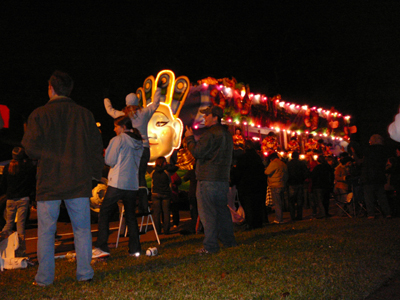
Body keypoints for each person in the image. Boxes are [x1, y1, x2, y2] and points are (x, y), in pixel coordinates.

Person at [22, 70, 104, 286]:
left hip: (49, 181)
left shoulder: (39, 114)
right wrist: (95, 175)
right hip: (78, 181)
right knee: (82, 230)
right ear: (69, 90)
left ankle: (44, 278)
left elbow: (30, 149)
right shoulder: (84, 114)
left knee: (46, 232)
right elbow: (96, 149)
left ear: (51, 88)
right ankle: (85, 273)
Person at [185, 105, 237, 254]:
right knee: (222, 212)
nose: (204, 118)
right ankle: (229, 242)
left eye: (207, 115)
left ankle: (210, 246)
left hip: (207, 179)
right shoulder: (227, 135)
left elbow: (197, 152)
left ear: (215, 117)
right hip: (222, 179)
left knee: (207, 214)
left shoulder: (210, 133)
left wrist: (189, 138)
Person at [104, 85, 161, 214]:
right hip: (144, 147)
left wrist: (106, 98)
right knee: (141, 175)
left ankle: (130, 204)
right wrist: (157, 90)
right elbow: (156, 103)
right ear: (137, 102)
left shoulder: (123, 115)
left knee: (129, 175)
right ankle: (143, 205)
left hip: (129, 150)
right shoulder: (145, 112)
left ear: (126, 103)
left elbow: (110, 111)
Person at [93, 116, 143, 258]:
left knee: (104, 212)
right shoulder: (139, 141)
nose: (114, 129)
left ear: (122, 126)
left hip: (117, 183)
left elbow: (110, 160)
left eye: (116, 126)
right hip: (132, 184)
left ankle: (102, 247)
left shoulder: (118, 140)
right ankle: (135, 249)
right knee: (131, 216)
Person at [0, 147, 36, 257]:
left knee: (8, 224)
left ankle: (1, 244)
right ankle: (20, 251)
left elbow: (3, 184)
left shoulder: (7, 168)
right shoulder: (26, 168)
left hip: (10, 199)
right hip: (23, 199)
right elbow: (31, 183)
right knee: (20, 225)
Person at [231, 140, 267, 229]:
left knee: (248, 205)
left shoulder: (242, 158)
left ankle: (251, 222)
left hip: (246, 185)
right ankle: (258, 222)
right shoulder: (257, 158)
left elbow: (238, 172)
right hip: (257, 185)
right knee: (257, 204)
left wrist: (234, 181)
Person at [361, 134, 392, 219]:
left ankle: (371, 214)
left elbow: (364, 162)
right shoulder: (383, 151)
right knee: (382, 196)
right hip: (380, 176)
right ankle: (387, 213)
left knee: (369, 196)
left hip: (368, 176)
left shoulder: (368, 150)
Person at [151, 156, 172, 235]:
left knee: (156, 213)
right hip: (165, 193)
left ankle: (157, 230)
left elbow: (153, 183)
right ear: (163, 163)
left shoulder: (153, 172)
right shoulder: (166, 172)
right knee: (166, 212)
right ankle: (166, 230)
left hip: (156, 193)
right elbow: (169, 183)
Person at [265, 152, 288, 224]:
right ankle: (280, 217)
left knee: (277, 202)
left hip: (275, 185)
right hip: (282, 184)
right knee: (280, 202)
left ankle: (278, 219)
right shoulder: (283, 164)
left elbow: (266, 172)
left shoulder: (274, 163)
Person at [286, 151, 308, 221]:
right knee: (299, 200)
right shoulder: (301, 163)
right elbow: (306, 172)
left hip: (291, 183)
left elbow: (286, 173)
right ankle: (299, 215)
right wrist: (302, 179)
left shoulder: (288, 164)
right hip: (299, 182)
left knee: (291, 200)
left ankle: (292, 216)